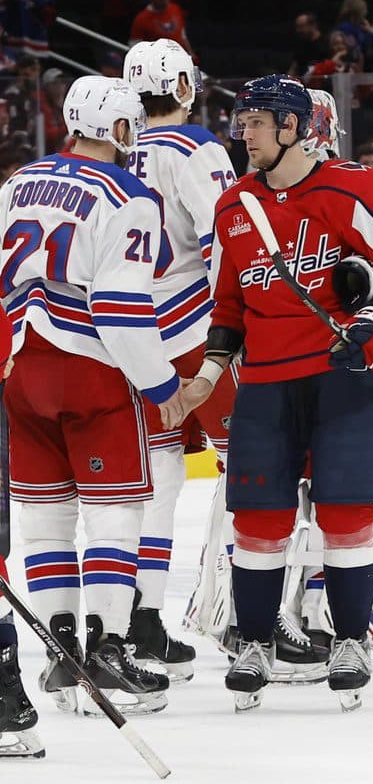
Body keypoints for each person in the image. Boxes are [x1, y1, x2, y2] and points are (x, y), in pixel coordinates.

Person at [208, 75, 373, 710]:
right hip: (264, 384)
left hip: (345, 377)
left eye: (255, 122)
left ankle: (349, 640)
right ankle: (254, 641)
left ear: (290, 126)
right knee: (256, 521)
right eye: (241, 122)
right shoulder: (235, 206)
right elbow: (227, 302)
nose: (243, 133)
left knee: (346, 514)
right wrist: (210, 367)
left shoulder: (348, 187)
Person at [3, 76, 200, 718]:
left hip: (16, 370)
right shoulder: (130, 195)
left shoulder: (16, 182)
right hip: (86, 368)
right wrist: (164, 384)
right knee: (116, 511)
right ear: (120, 130)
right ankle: (107, 649)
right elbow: (119, 309)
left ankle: (61, 647)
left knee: (45, 514)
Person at [121, 39, 238, 681]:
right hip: (197, 329)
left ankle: (142, 621)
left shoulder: (115, 152)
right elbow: (224, 243)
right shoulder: (198, 147)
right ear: (187, 88)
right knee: (252, 463)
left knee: (158, 481)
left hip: (134, 337)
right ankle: (250, 613)